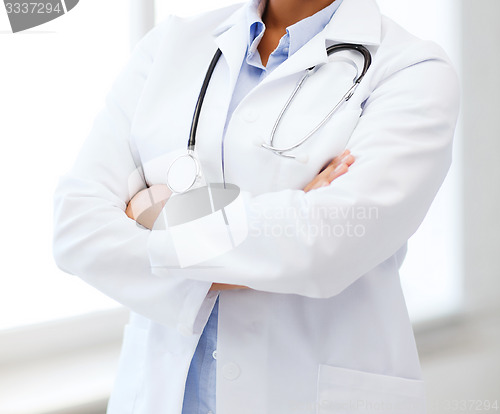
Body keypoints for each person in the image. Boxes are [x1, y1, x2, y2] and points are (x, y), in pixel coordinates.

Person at [52, 0, 460, 412]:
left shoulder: (412, 70)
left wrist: (152, 217)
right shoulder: (168, 47)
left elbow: (326, 243)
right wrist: (291, 213)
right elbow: (76, 227)